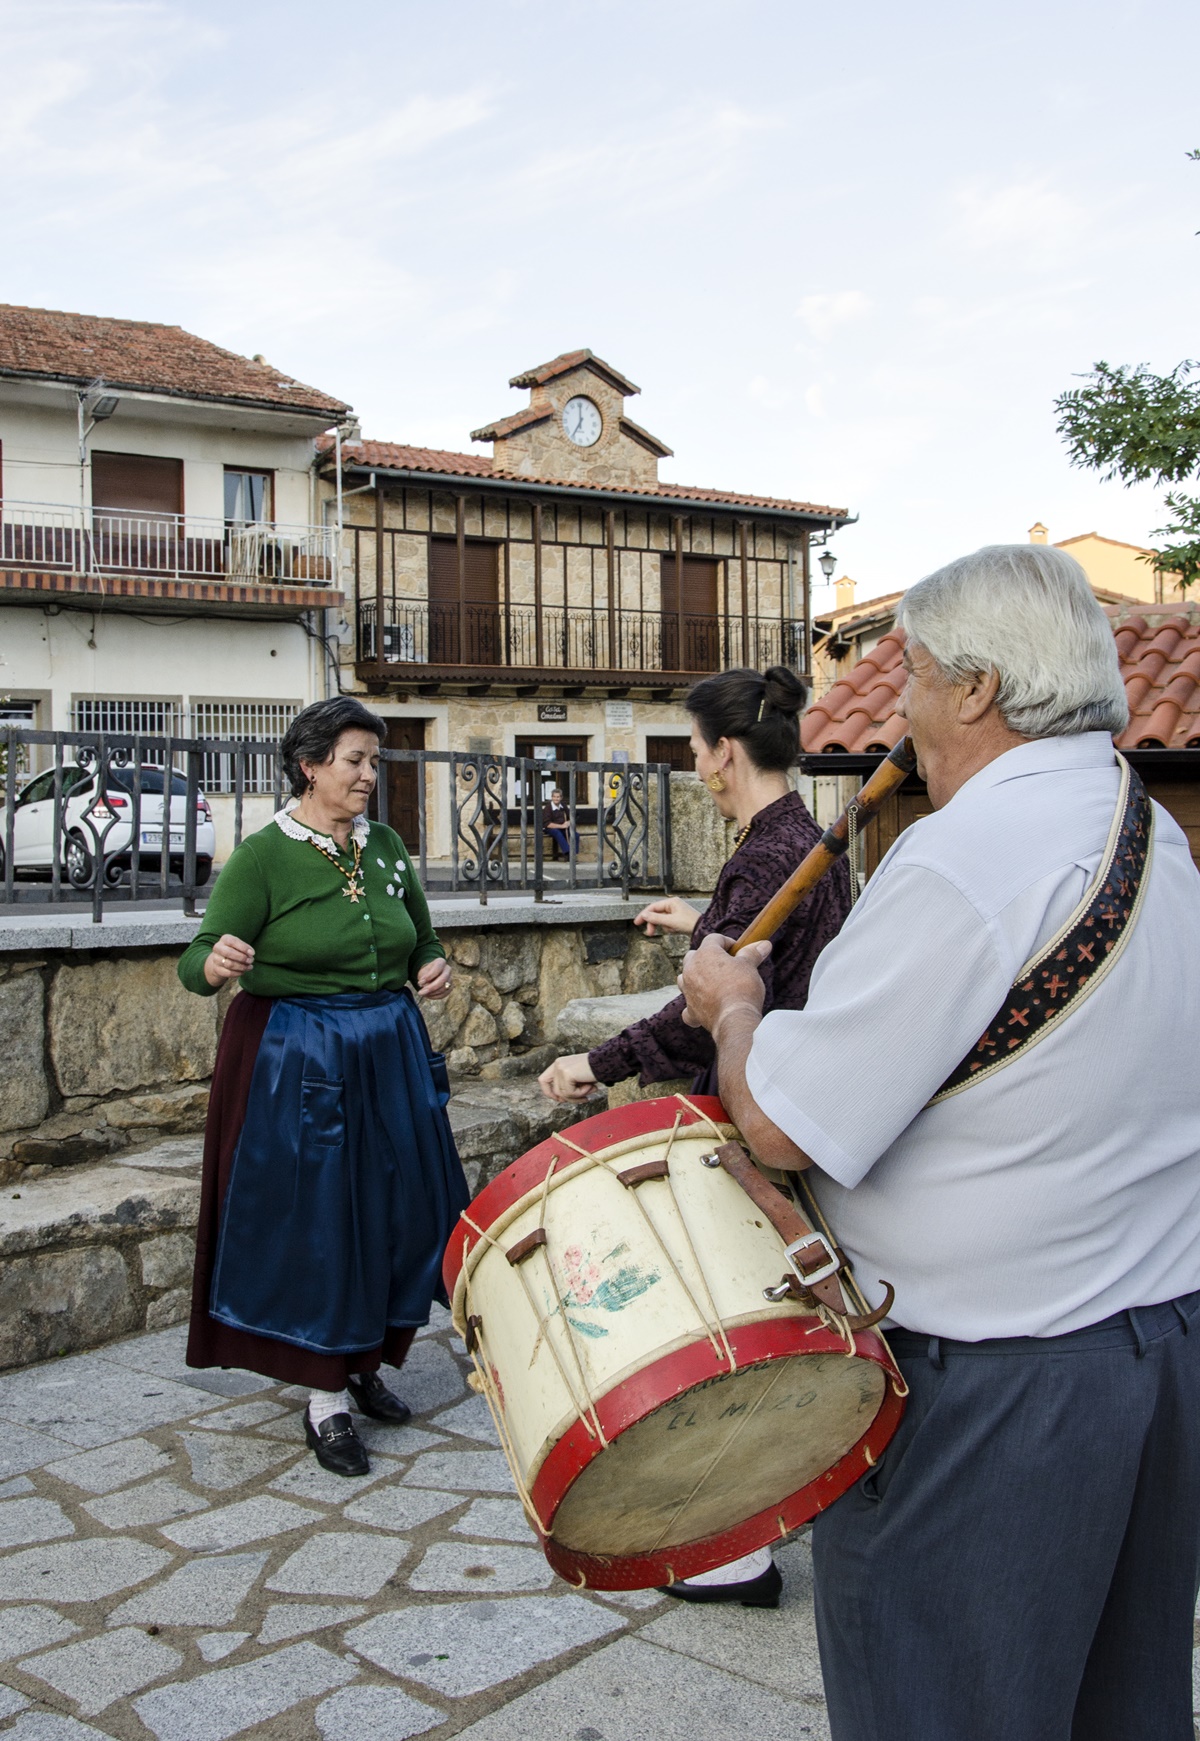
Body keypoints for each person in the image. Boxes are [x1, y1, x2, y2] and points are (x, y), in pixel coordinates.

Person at [679, 545, 1200, 1740]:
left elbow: (780, 1123)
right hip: (1160, 1355)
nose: (898, 706)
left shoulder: (967, 856)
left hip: (999, 1396)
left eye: (914, 672)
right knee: (1120, 1709)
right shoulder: (1150, 829)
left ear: (977, 688)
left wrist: (734, 1008)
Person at [541, 663, 852, 1608]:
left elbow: (700, 1013)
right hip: (796, 1095)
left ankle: (740, 1548)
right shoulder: (800, 839)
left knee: (737, 1328)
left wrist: (593, 1063)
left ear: (723, 753)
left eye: (695, 751)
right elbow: (751, 950)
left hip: (754, 1107)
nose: (696, 769)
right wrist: (699, 921)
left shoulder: (766, 855)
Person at [178, 696, 468, 1478]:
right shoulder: (264, 856)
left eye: (374, 761)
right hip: (300, 1055)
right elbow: (195, 960)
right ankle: (324, 1396)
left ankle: (364, 1357)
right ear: (309, 765)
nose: (369, 775)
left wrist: (429, 967)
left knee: (396, 1208)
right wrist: (216, 962)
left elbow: (422, 937)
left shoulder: (385, 845)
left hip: (387, 1047)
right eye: (354, 761)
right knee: (324, 1217)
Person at [542, 787, 579, 858]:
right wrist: (562, 826)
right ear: (552, 797)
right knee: (557, 833)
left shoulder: (563, 806)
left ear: (561, 798)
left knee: (575, 835)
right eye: (554, 797)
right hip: (550, 828)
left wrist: (568, 822)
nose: (556, 799)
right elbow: (547, 824)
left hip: (562, 827)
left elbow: (572, 816)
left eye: (558, 797)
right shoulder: (548, 808)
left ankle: (574, 854)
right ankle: (568, 853)